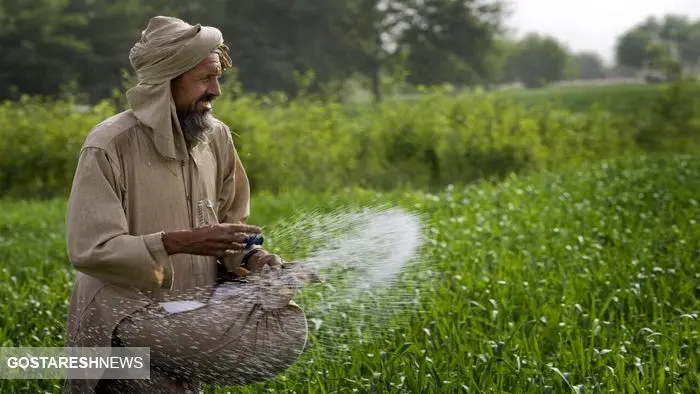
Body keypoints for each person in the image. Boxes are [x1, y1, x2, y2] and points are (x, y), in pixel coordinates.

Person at [63, 16, 318, 393]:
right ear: (167, 81)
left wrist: (252, 259)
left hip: (188, 317)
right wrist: (179, 242)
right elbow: (90, 249)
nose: (216, 90)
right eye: (204, 79)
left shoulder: (215, 137)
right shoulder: (109, 144)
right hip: (124, 318)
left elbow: (231, 228)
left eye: (217, 78)